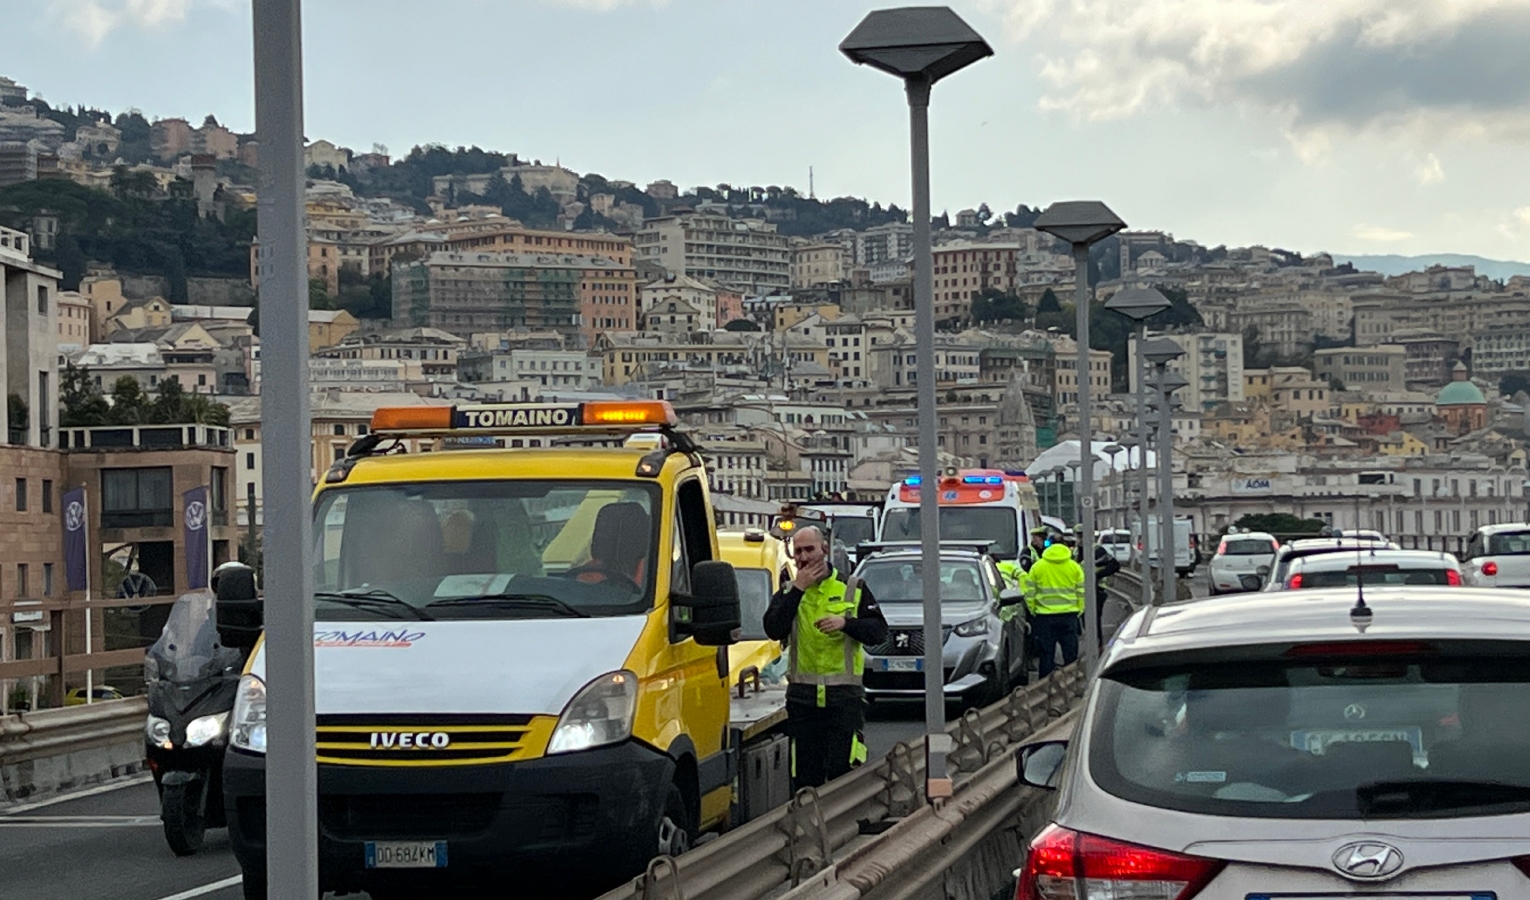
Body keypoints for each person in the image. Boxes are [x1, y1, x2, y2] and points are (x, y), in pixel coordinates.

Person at [762, 526, 888, 789]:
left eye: (809, 549)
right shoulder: (788, 593)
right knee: (805, 778)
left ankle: (847, 825)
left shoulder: (852, 588)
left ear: (824, 550)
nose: (804, 557)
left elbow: (879, 633)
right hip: (803, 700)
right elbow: (773, 629)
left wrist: (846, 623)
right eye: (798, 551)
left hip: (843, 699)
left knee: (844, 775)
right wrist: (798, 589)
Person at [1020, 538, 1086, 678]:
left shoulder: (1038, 567)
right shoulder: (1074, 566)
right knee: (1070, 655)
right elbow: (1081, 591)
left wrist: (1033, 610)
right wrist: (1079, 610)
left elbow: (1030, 593)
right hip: (1069, 616)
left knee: (1046, 655)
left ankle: (1045, 687)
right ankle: (1071, 683)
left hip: (1044, 617)